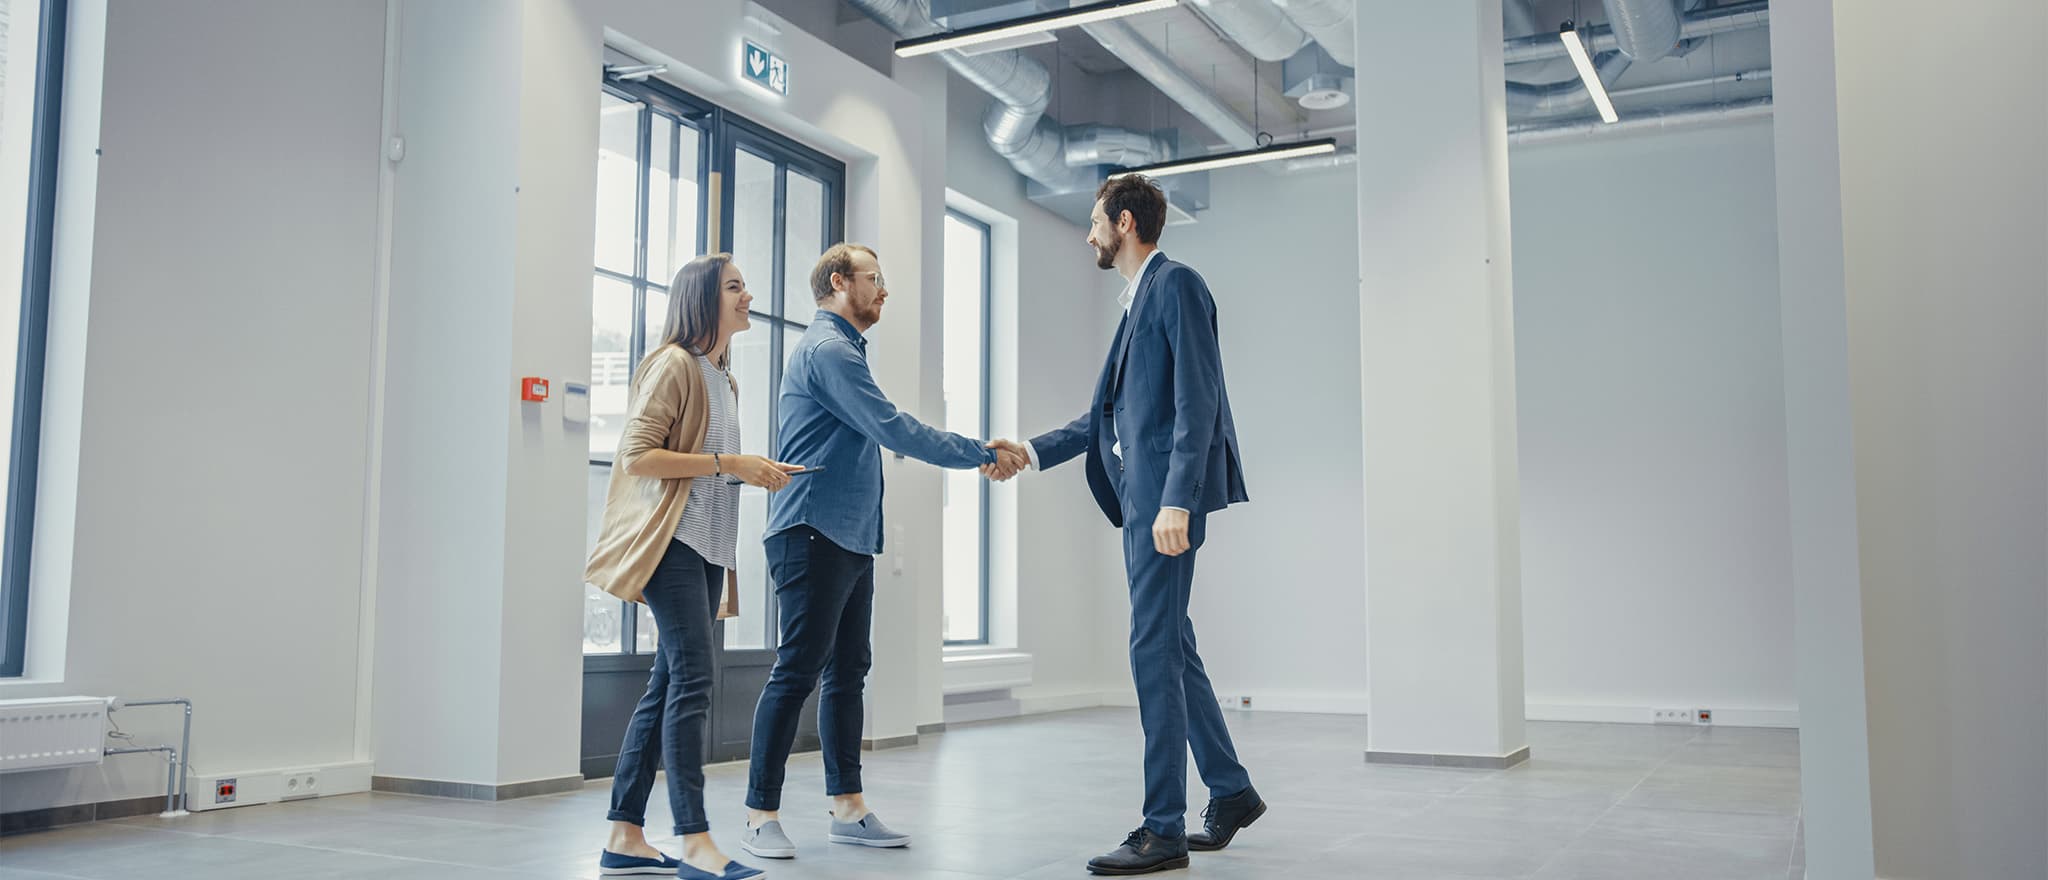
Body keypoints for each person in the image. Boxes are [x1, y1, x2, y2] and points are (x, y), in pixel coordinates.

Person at [996, 175, 1262, 876]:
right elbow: (1107, 418)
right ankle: (1230, 791)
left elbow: (1198, 398)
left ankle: (1162, 828)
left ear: (1123, 222)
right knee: (1173, 646)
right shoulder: (1136, 303)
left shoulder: (1176, 286)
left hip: (1161, 505)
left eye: (1093, 223)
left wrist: (1178, 498)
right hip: (1145, 500)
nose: (1089, 235)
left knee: (1151, 651)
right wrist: (1029, 451)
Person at [738, 243, 1025, 860]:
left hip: (847, 536)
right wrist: (982, 451)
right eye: (876, 279)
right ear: (840, 283)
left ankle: (848, 807)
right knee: (797, 672)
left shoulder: (844, 350)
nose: (884, 290)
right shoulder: (830, 350)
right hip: (811, 530)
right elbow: (894, 428)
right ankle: (760, 815)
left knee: (848, 673)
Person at [585, 253, 803, 880]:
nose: (748, 295)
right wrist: (730, 466)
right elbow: (636, 455)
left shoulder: (722, 377)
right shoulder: (675, 365)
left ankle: (624, 835)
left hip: (708, 551)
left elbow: (710, 467)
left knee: (668, 683)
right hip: (672, 548)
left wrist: (753, 470)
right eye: (735, 287)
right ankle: (696, 842)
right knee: (694, 684)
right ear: (703, 299)